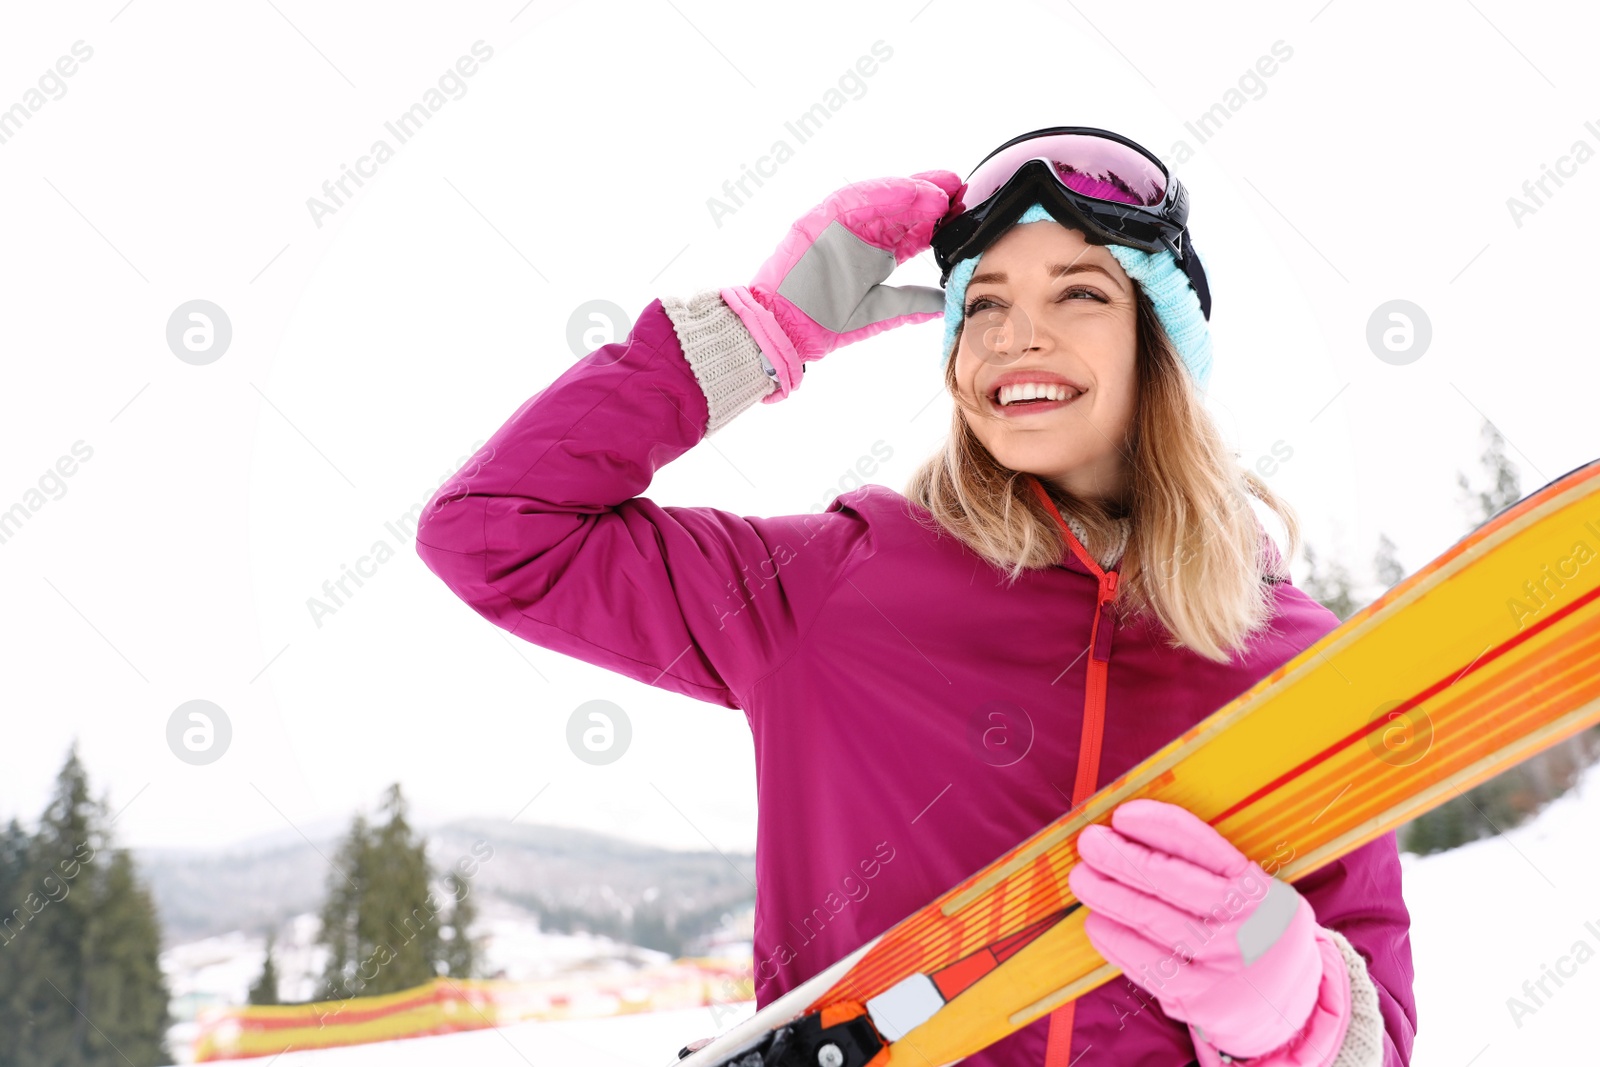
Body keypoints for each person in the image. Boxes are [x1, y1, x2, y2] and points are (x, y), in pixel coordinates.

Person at [414, 126, 1417, 1066]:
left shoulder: (1291, 658)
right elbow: (497, 531)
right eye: (982, 302)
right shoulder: (842, 586)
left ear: (1158, 342)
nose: (1016, 335)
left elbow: (1381, 1033)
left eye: (1077, 293)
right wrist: (761, 333)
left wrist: (1296, 1005)